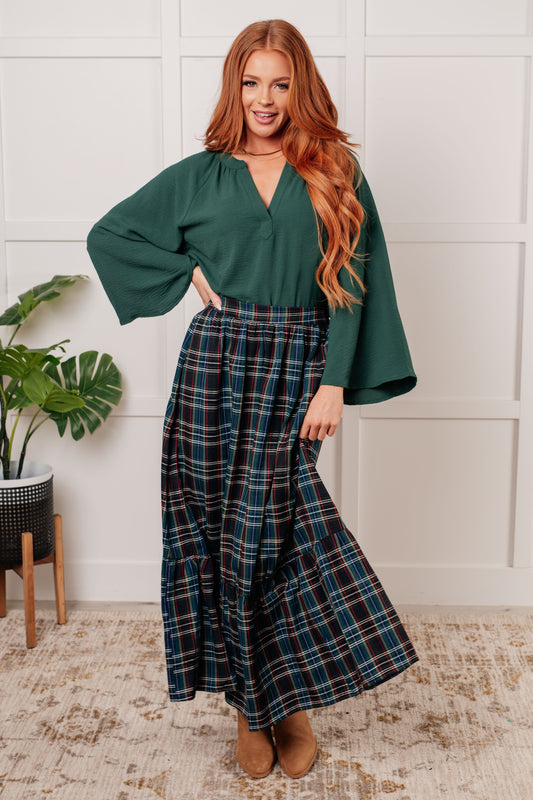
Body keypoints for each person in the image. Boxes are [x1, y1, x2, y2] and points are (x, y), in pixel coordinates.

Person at [86, 19, 419, 781]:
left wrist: (334, 379)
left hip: (299, 363)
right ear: (233, 86)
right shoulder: (200, 175)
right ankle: (251, 707)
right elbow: (111, 234)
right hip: (216, 361)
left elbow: (351, 280)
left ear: (298, 86)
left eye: (278, 83)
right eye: (250, 82)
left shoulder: (333, 171)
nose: (264, 99)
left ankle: (287, 700)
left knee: (272, 538)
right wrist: (186, 278)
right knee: (215, 538)